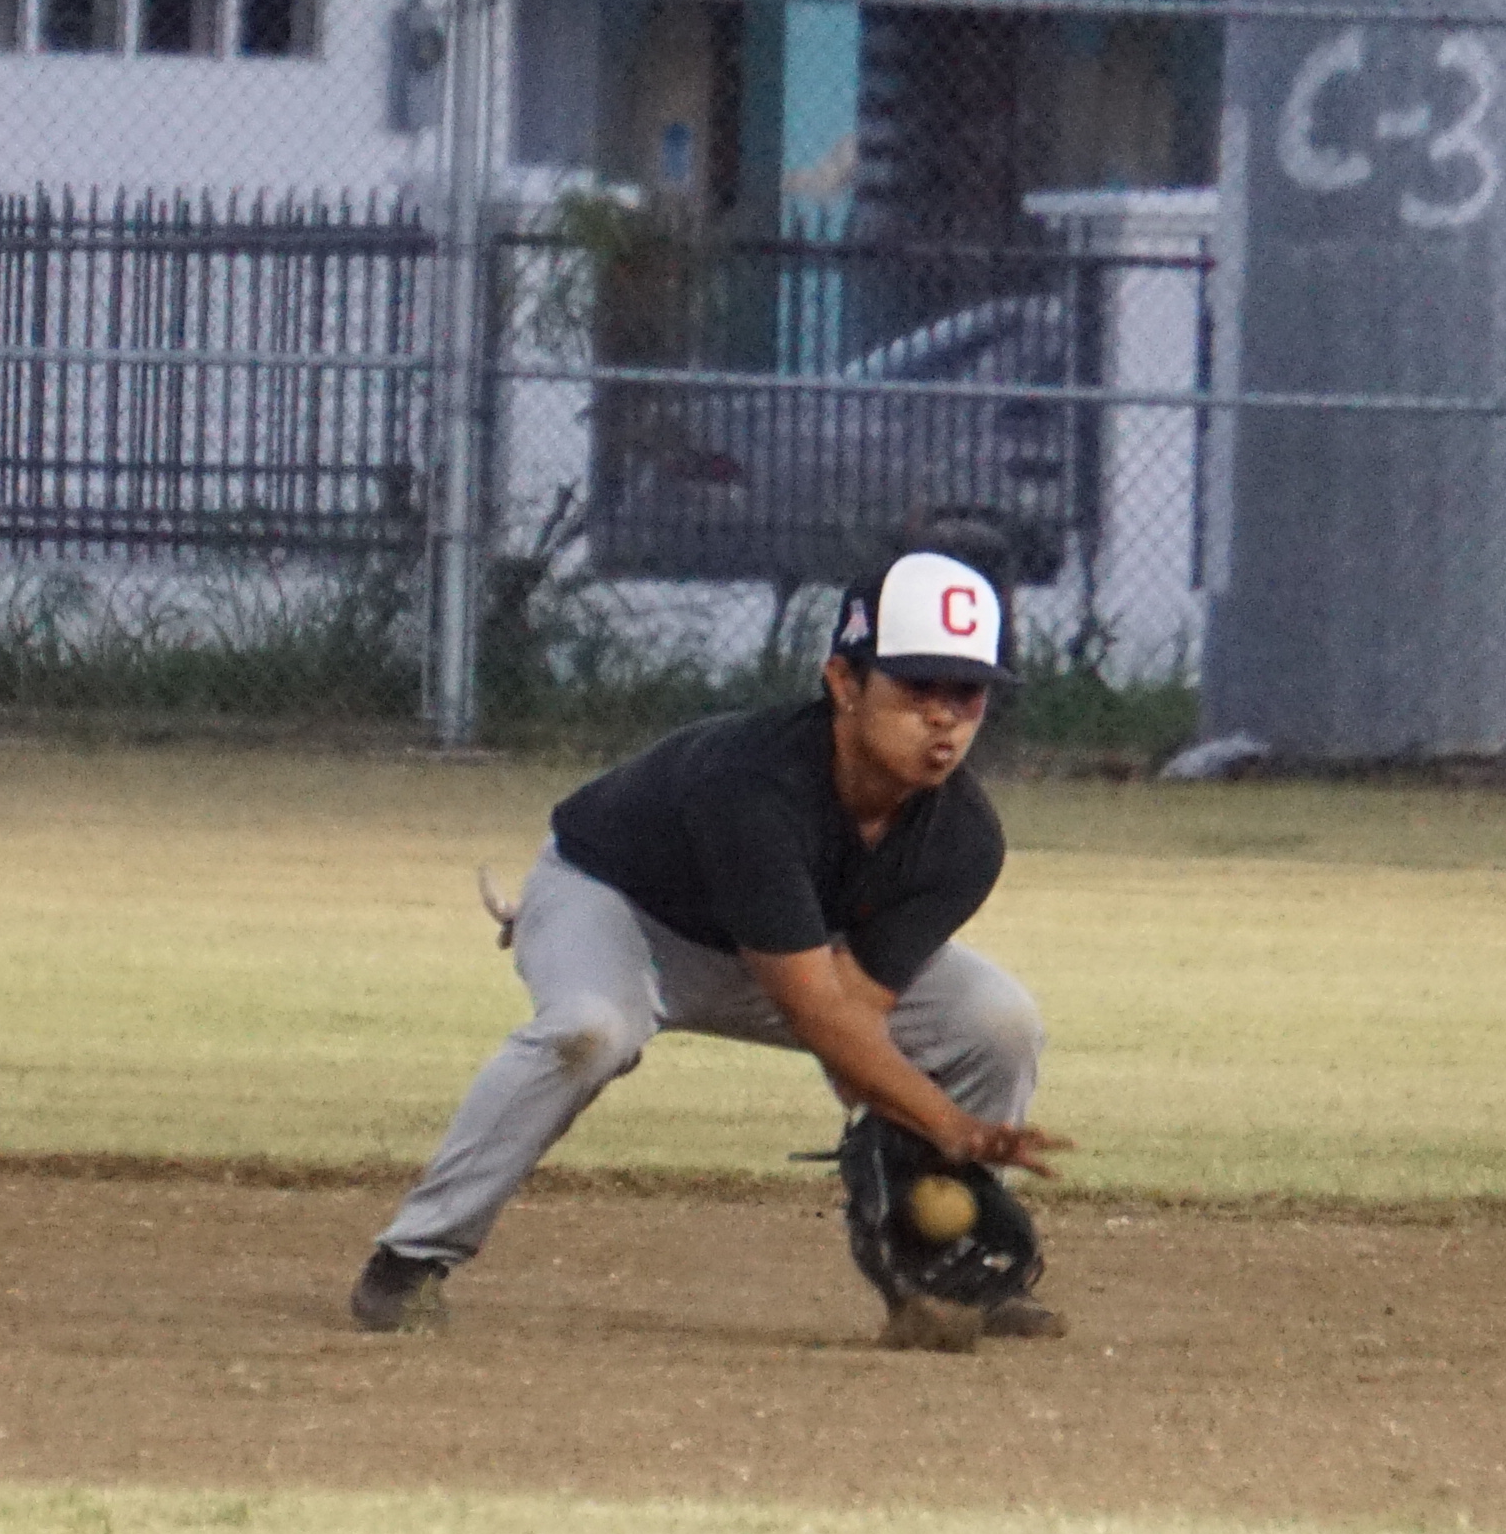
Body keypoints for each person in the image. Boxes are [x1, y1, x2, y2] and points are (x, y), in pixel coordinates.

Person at [356, 547, 1067, 1339]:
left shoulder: (963, 839)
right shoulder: (753, 786)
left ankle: (947, 1268)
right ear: (843, 683)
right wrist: (945, 1121)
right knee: (590, 1029)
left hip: (792, 957)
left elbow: (854, 1015)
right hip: (617, 909)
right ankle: (409, 1260)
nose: (942, 717)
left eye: (965, 693)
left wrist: (905, 1128)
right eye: (914, 687)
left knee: (996, 1022)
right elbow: (812, 1011)